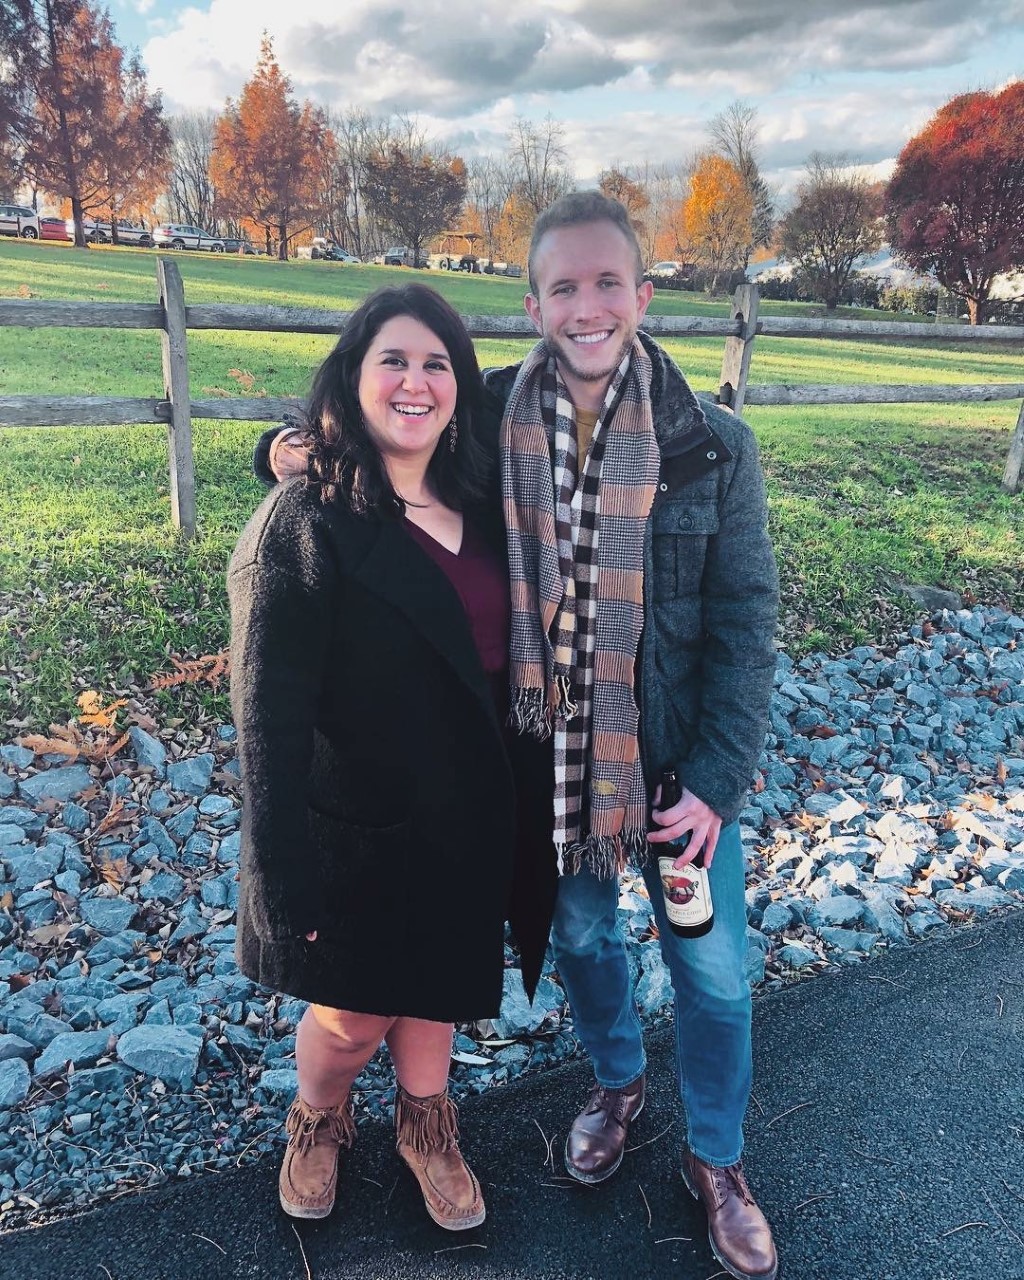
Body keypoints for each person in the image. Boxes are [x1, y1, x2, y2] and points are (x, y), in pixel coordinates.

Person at [262, 193, 780, 1280]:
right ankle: (618, 1084)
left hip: (677, 772)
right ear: (534, 304)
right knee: (584, 942)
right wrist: (280, 449)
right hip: (555, 765)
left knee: (715, 974)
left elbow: (746, 622)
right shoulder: (494, 415)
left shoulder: (714, 448)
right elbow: (377, 424)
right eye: (564, 287)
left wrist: (719, 778)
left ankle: (718, 1160)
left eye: (608, 284)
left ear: (643, 296)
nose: (588, 307)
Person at [229, 282, 545, 1232]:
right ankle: (318, 1118)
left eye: (437, 363)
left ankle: (426, 1126)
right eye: (393, 361)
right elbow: (267, 721)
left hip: (469, 811)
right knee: (352, 1019)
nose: (416, 382)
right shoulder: (305, 522)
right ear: (351, 378)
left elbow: (578, 365)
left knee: (440, 987)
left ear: (462, 386)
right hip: (354, 831)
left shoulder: (485, 498)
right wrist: (280, 881)